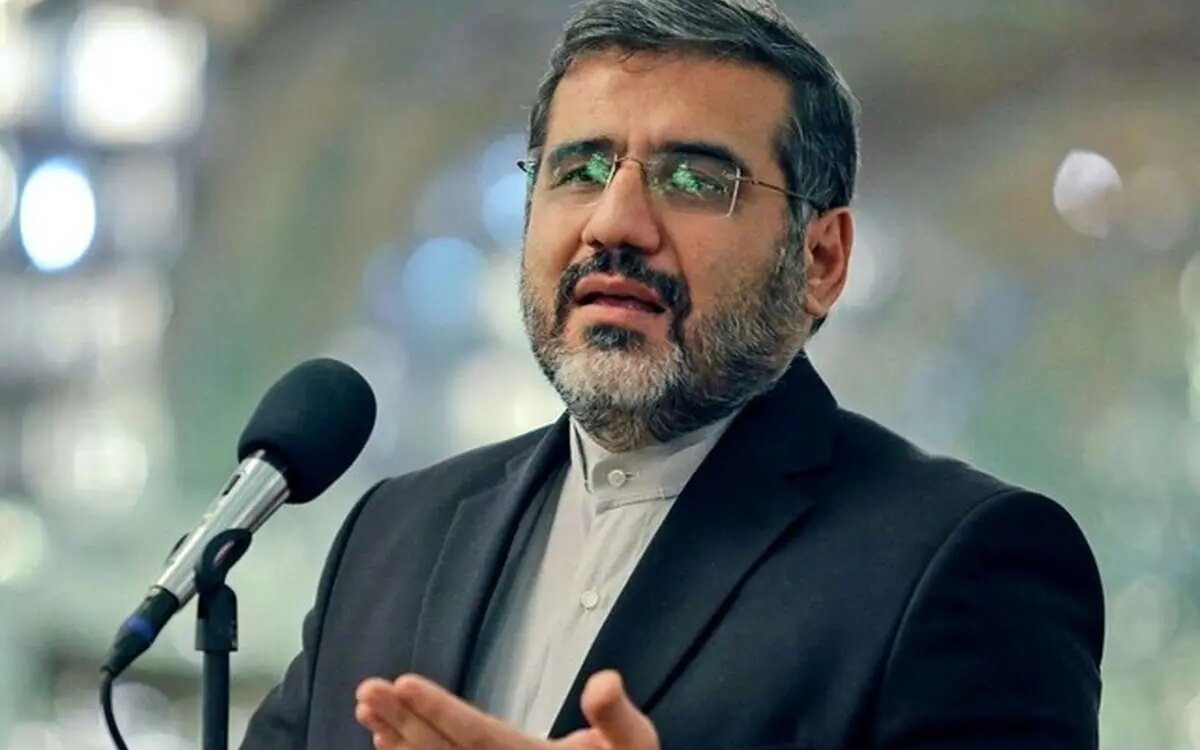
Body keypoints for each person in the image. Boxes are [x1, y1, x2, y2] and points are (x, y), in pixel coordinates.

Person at [240, 1, 1105, 748]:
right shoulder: (394, 534)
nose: (615, 224)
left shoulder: (965, 561)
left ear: (821, 258)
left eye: (694, 179)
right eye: (580, 171)